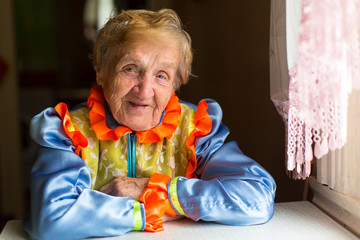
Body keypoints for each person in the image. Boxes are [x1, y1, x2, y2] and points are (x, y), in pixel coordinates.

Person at [23, 8, 276, 240]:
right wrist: (148, 213)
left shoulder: (195, 129)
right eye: (130, 69)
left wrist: (155, 190)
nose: (144, 91)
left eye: (161, 76)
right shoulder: (68, 130)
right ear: (100, 70)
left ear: (178, 82)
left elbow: (257, 198)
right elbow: (51, 218)